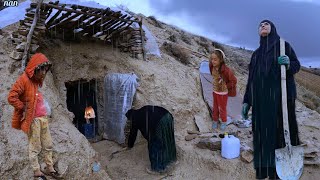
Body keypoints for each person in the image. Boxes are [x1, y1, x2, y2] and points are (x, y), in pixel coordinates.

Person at [242, 20, 301, 179]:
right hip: (261, 103)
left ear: (273, 28)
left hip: (280, 101)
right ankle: (264, 171)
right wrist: (247, 101)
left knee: (280, 133)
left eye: (266, 24)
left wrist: (289, 64)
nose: (263, 26)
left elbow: (297, 65)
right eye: (260, 25)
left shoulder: (283, 46)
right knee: (262, 136)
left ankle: (279, 173)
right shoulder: (256, 54)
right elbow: (251, 80)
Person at [8, 53, 59, 179]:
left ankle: (49, 167)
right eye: (41, 69)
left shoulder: (36, 81)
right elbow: (11, 97)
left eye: (45, 70)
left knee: (48, 144)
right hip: (34, 120)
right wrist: (23, 107)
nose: (43, 73)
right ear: (34, 68)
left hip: (43, 118)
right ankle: (37, 171)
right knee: (35, 146)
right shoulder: (24, 79)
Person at [125, 105, 177, 174]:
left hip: (159, 122)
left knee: (154, 144)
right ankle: (172, 159)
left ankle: (158, 168)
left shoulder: (134, 119)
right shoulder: (142, 110)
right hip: (168, 116)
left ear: (130, 117)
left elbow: (133, 134)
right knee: (168, 138)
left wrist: (129, 145)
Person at [209, 49, 237, 131]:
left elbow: (234, 81)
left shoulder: (226, 70)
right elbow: (213, 75)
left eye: (215, 59)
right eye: (212, 59)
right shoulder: (211, 67)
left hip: (223, 94)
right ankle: (215, 120)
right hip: (215, 91)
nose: (213, 61)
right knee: (215, 108)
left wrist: (225, 86)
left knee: (222, 108)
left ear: (221, 60)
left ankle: (224, 122)